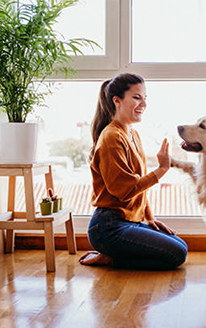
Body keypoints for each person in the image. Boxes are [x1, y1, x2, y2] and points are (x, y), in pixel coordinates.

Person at [79, 73, 188, 270]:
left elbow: (138, 187)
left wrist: (149, 217)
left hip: (129, 221)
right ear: (117, 101)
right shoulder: (111, 137)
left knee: (181, 246)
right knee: (176, 254)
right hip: (107, 227)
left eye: (145, 98)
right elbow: (124, 190)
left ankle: (113, 254)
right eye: (137, 97)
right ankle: (110, 258)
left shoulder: (132, 134)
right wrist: (162, 169)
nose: (143, 104)